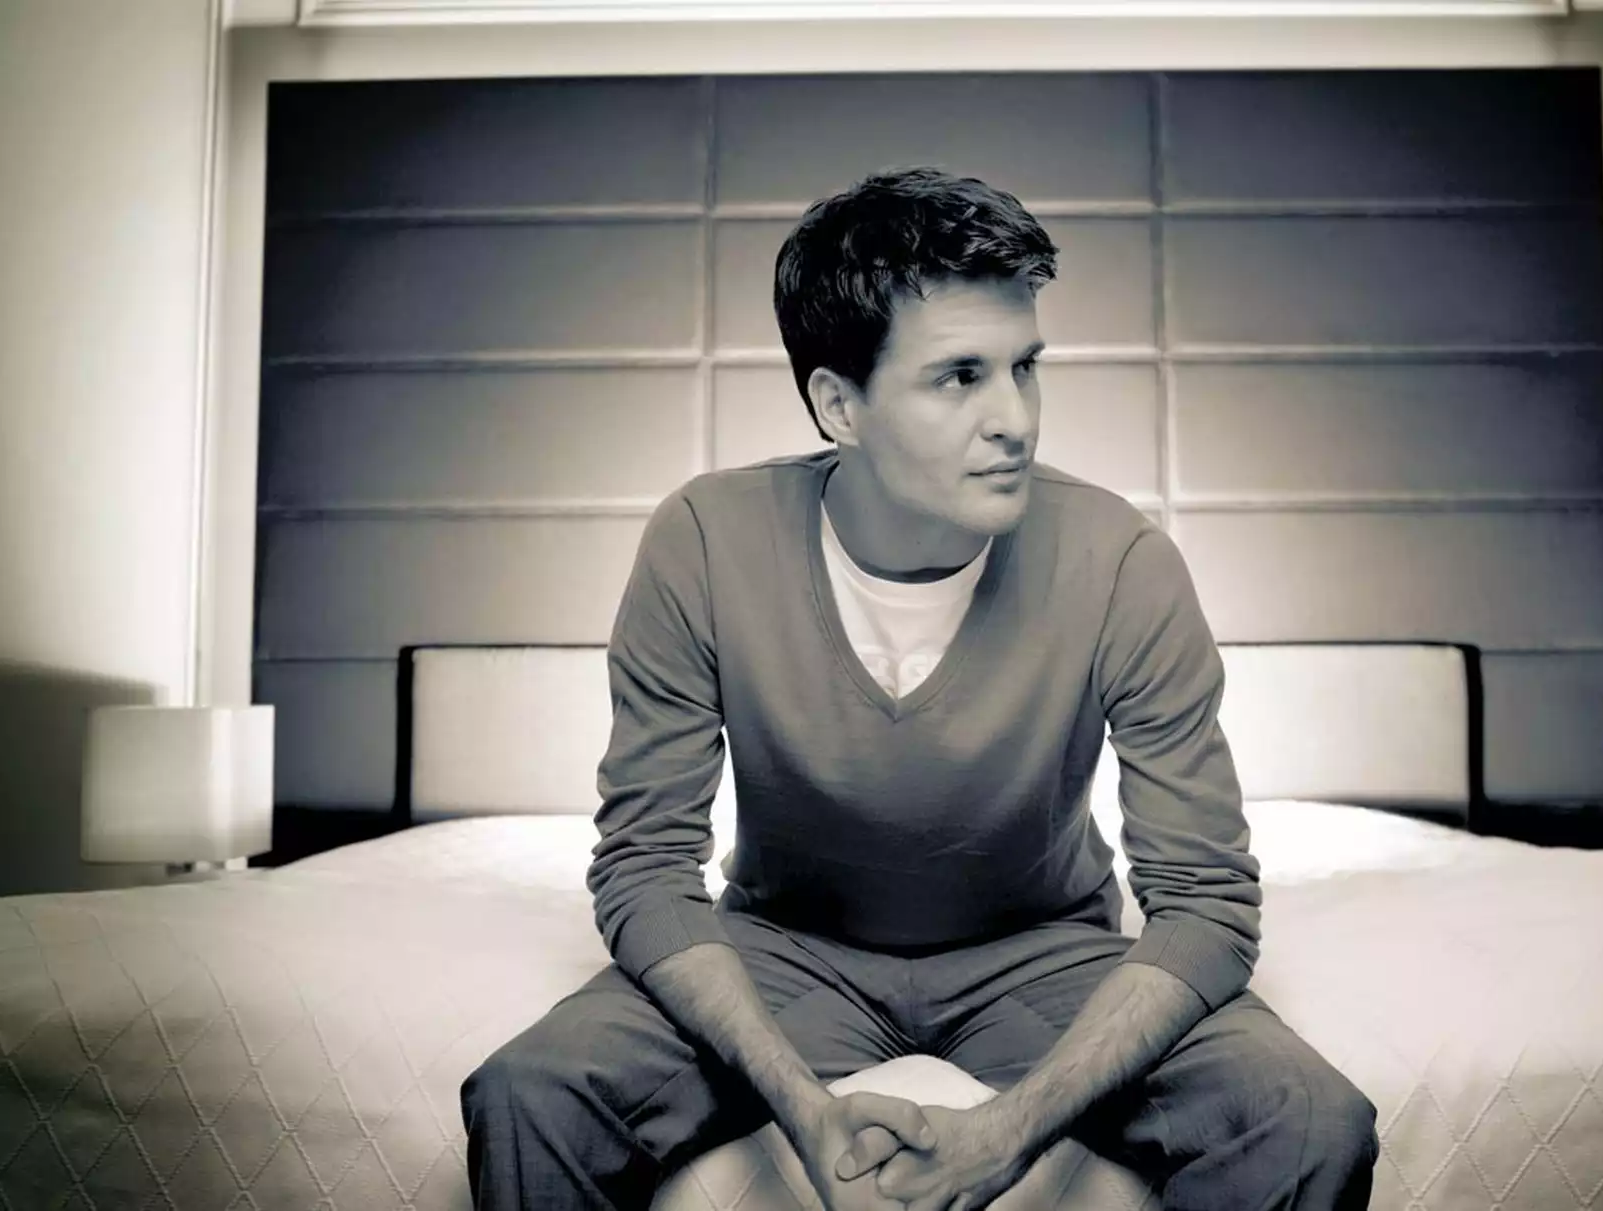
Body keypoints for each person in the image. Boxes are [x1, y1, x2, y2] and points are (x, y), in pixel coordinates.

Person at [461, 166, 1379, 1211]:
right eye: (959, 377)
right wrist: (803, 1107)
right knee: (531, 1092)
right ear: (837, 405)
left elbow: (1206, 902)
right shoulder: (706, 541)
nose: (1015, 419)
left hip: (1044, 956)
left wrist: (1006, 1133)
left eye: (1024, 367)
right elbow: (644, 865)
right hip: (784, 950)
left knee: (1307, 1116)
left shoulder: (1122, 560)